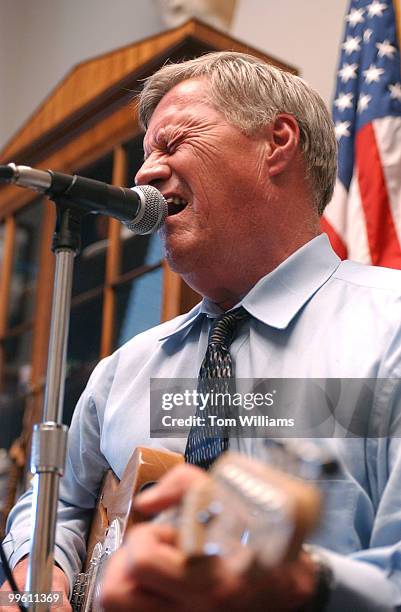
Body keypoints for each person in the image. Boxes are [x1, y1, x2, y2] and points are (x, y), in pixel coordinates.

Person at [2, 51, 401, 611]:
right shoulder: (125, 369)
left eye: (172, 142)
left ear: (277, 142)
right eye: (145, 155)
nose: (143, 174)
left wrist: (303, 583)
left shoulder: (392, 330)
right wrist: (37, 574)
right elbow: (55, 502)